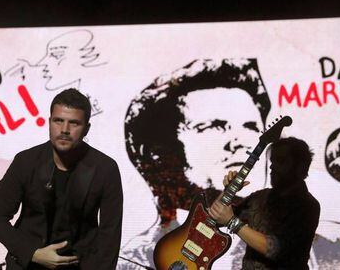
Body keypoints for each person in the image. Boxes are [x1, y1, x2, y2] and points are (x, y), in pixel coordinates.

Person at [119, 58, 271, 268]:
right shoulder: (133, 260)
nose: (239, 142)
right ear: (158, 153)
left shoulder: (313, 249)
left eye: (251, 127)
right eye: (215, 126)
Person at [0, 88, 123, 270]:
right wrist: (33, 253)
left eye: (74, 123)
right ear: (49, 122)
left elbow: (110, 236)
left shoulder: (106, 169)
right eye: (58, 121)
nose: (64, 130)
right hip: (27, 265)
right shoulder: (26, 161)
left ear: (86, 129)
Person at [208, 137, 320, 269]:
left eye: (281, 161)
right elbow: (214, 220)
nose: (272, 166)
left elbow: (275, 249)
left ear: (300, 167)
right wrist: (228, 191)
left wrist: (232, 222)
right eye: (272, 161)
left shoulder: (308, 206)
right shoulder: (259, 197)